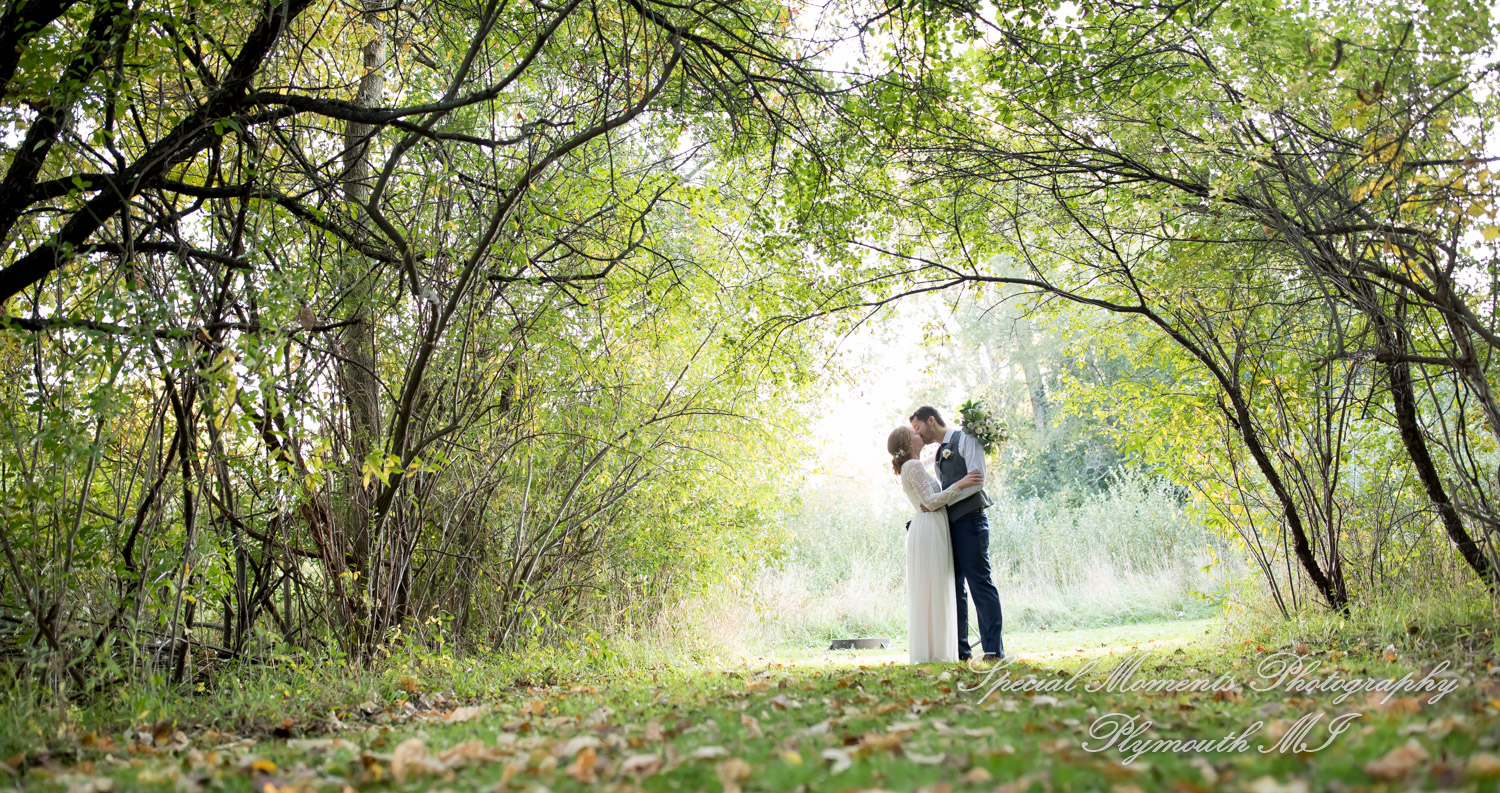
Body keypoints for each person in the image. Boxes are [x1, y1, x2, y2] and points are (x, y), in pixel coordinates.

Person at [910, 406, 1004, 661]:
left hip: (971, 522)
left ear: (931, 421)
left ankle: (993, 650)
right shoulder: (940, 452)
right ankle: (961, 651)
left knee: (980, 584)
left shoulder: (967, 439)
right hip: (948, 526)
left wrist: (943, 501)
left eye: (918, 427)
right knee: (954, 589)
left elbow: (978, 480)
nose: (917, 434)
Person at [887, 425, 981, 664]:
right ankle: (937, 651)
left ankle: (934, 649)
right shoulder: (913, 466)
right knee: (936, 587)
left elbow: (925, 488)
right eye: (914, 433)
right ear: (909, 444)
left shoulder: (912, 465)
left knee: (932, 588)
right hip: (929, 525)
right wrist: (961, 483)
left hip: (929, 525)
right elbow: (929, 502)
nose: (920, 435)